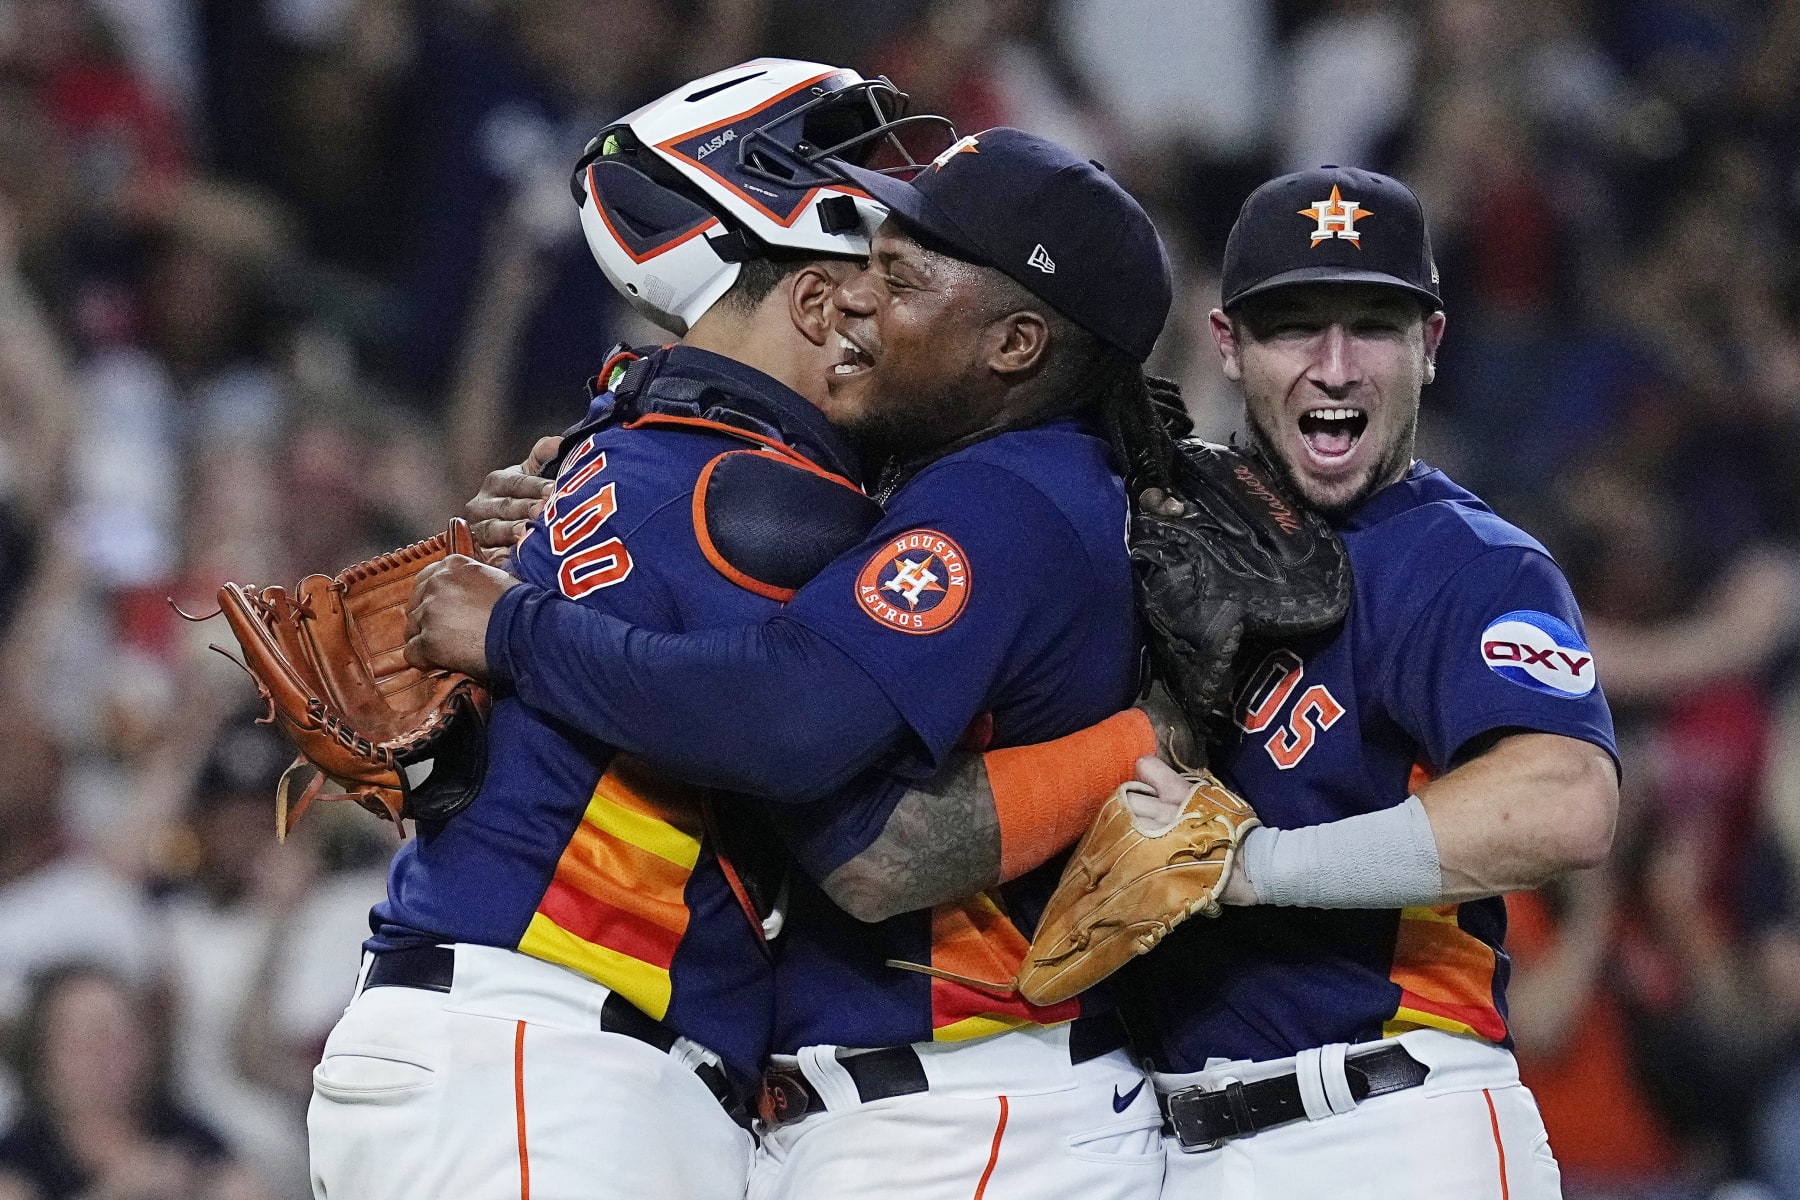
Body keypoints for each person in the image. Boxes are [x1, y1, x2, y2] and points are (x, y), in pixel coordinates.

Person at [313, 65, 1161, 1200]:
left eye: (898, 278)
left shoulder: (631, 447)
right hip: (551, 1064)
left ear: (1015, 342)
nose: (866, 304)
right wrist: (1147, 739)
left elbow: (810, 747)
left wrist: (519, 618)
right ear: (807, 308)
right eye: (865, 279)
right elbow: (838, 794)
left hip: (524, 1053)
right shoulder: (772, 498)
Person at [1118, 166, 1619, 1198]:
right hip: (1163, 1141)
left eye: (1374, 328)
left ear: (1430, 347)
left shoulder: (1472, 563)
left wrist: (1254, 865)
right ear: (1228, 347)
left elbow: (1565, 803)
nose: (1335, 367)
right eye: (1295, 326)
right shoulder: (1154, 532)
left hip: (1389, 1129)